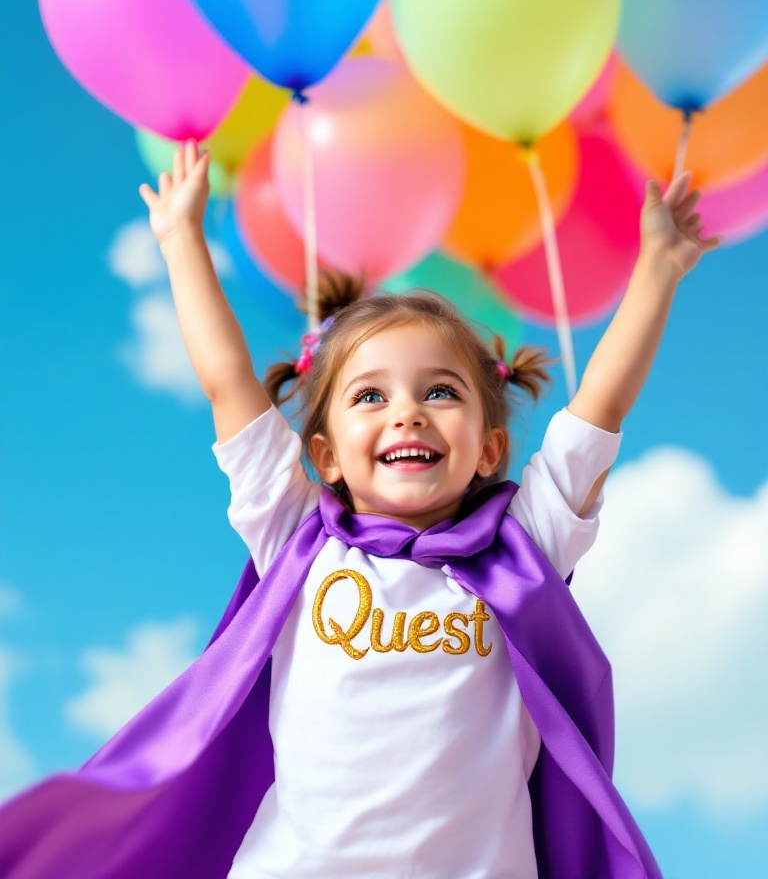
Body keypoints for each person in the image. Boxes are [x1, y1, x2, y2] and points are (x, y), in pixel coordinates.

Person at [0, 140, 717, 879]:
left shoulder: (524, 547)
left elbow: (598, 409)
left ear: (490, 450)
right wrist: (182, 239)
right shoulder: (295, 538)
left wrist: (657, 269)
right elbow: (226, 384)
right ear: (329, 456)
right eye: (370, 396)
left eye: (441, 392)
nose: (407, 414)